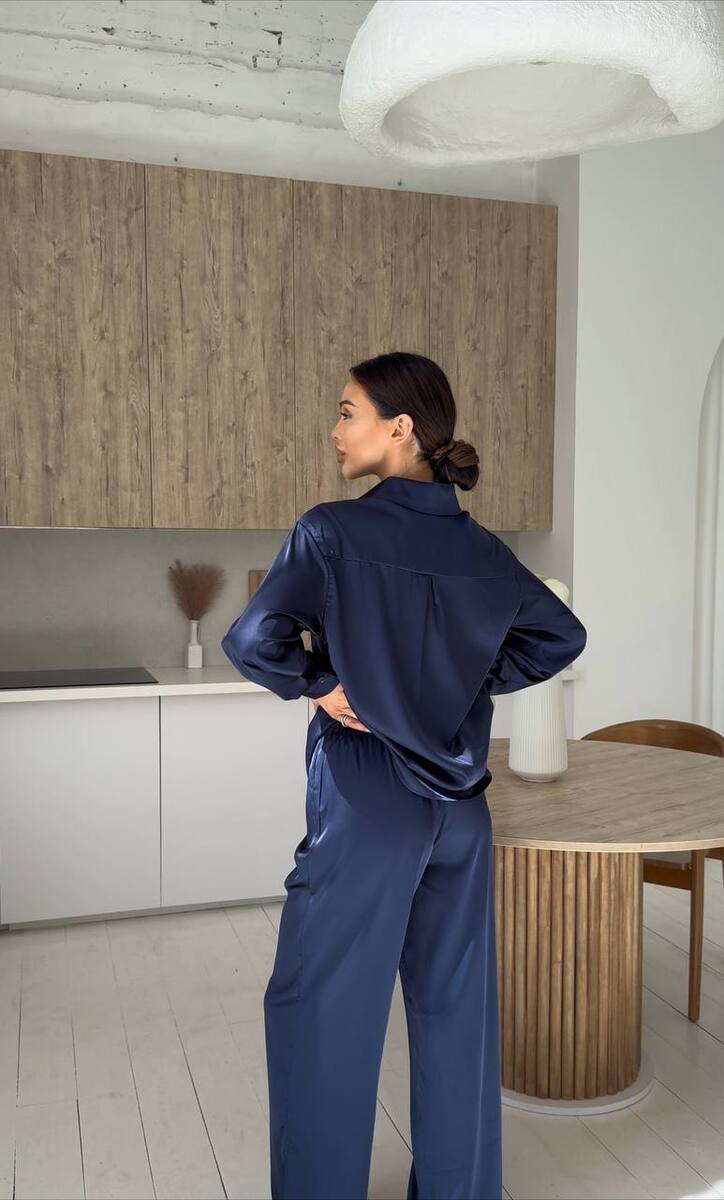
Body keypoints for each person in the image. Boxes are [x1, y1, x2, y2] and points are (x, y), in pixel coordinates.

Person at [221, 351, 587, 1200]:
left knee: (321, 1012)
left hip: (367, 804)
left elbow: (252, 639)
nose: (335, 429)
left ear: (401, 427)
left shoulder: (330, 533)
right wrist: (463, 684)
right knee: (457, 1013)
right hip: (462, 813)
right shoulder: (485, 551)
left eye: (348, 411)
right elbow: (560, 636)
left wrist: (320, 684)